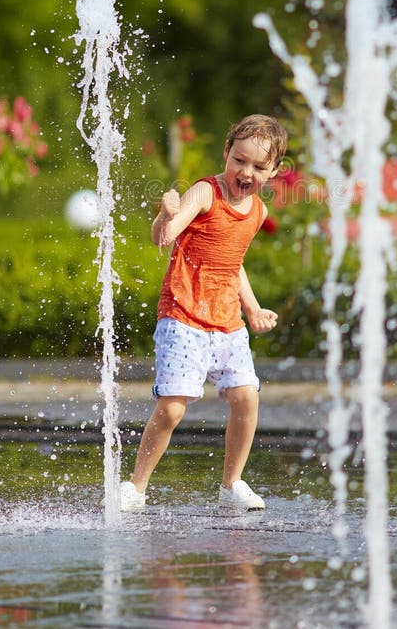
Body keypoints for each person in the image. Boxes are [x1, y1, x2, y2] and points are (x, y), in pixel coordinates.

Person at [120, 114, 288, 512]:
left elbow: (234, 262)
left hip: (227, 321)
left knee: (247, 397)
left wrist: (252, 307)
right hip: (183, 315)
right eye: (239, 160)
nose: (246, 172)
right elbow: (164, 236)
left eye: (259, 167)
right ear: (227, 152)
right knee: (173, 407)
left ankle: (231, 484)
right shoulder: (204, 193)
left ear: (275, 171)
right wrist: (165, 213)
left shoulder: (257, 213)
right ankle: (136, 488)